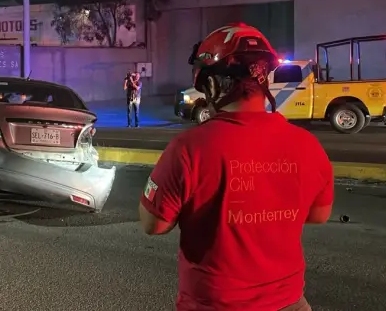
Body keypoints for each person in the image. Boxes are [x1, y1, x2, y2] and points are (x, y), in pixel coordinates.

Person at [138, 23, 333, 311]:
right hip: (289, 303)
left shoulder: (188, 148)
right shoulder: (308, 144)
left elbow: (154, 224)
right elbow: (318, 215)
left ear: (213, 85)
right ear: (263, 79)